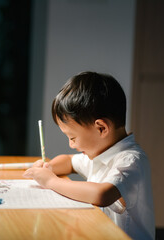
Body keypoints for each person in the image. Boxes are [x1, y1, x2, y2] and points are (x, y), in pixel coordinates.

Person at [23, 71, 155, 240]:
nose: (71, 145)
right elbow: (69, 161)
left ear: (101, 128)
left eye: (72, 138)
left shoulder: (131, 160)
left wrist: (50, 181)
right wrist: (49, 168)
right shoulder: (100, 152)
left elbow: (102, 195)